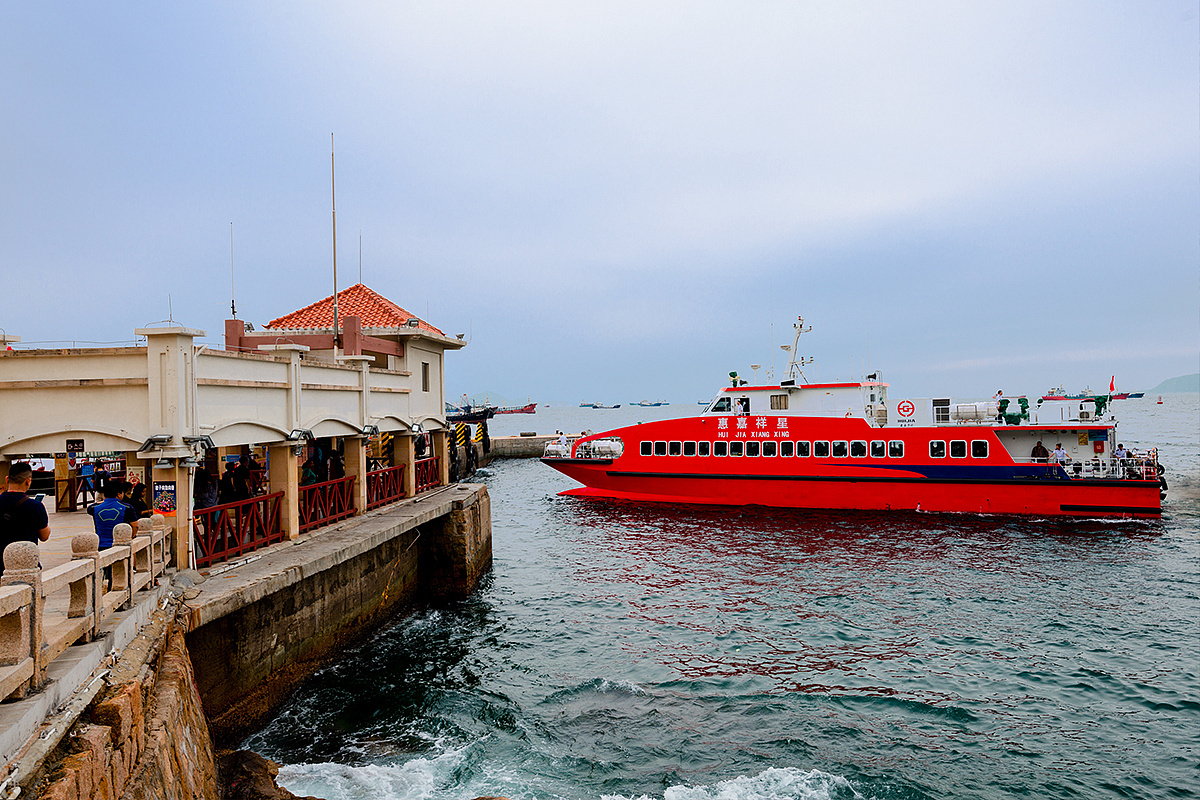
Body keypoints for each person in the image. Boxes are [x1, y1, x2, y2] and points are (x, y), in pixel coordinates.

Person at [0, 462, 51, 578]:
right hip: (27, 567)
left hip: (1, 566)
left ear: (7, 479)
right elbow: (44, 536)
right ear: (28, 481)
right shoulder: (35, 506)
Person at [88, 481, 137, 551]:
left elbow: (90, 507)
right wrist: (130, 537)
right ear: (119, 494)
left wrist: (104, 501)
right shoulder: (127, 508)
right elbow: (135, 526)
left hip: (101, 545)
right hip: (121, 545)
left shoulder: (94, 508)